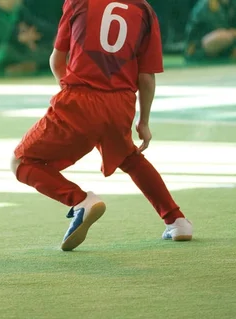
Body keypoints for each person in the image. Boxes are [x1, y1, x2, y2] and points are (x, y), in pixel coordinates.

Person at [11, 0, 193, 251]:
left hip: (79, 100)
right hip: (121, 104)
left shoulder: (78, 2)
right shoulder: (145, 11)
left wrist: (73, 99)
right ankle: (177, 221)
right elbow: (146, 78)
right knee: (129, 157)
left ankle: (81, 201)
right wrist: (144, 121)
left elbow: (57, 60)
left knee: (21, 162)